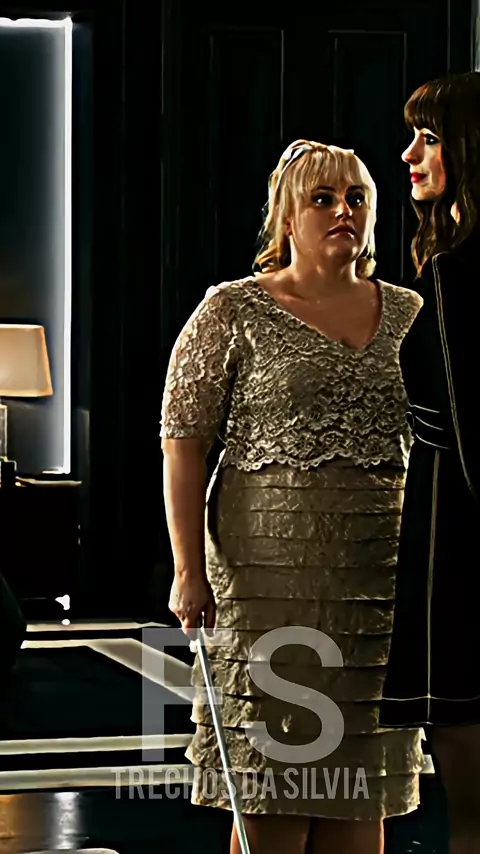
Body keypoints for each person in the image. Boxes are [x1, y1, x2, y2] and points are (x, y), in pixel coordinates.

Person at [160, 139, 424, 854]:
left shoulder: (410, 313)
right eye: (323, 199)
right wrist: (187, 569)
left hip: (377, 580)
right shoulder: (232, 309)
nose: (344, 211)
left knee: (359, 789)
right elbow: (183, 443)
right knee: (272, 786)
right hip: (265, 579)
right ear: (286, 215)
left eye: (357, 198)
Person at [379, 72, 480, 854]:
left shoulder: (458, 271)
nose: (410, 155)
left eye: (429, 138)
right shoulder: (446, 261)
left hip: (461, 542)